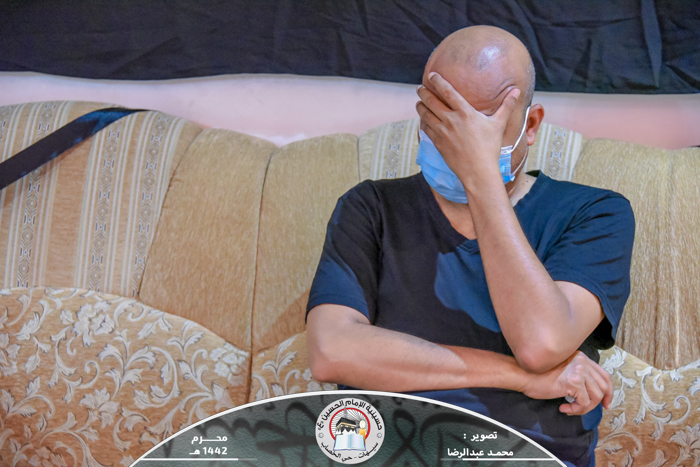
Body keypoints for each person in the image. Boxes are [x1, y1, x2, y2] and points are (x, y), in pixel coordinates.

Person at [305, 25, 635, 467]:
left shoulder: (594, 213)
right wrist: (518, 377)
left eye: (479, 128)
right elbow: (331, 351)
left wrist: (481, 177)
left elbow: (541, 343)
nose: (457, 146)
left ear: (530, 125)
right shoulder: (371, 207)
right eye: (442, 121)